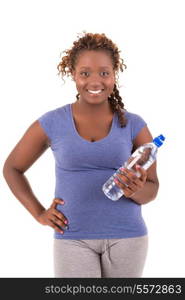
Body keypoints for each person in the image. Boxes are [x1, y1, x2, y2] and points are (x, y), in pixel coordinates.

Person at [3, 32, 159, 278]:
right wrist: (39, 213)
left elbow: (152, 189)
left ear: (115, 74)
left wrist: (135, 189)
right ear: (73, 74)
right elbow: (12, 168)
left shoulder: (134, 124)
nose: (95, 81)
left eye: (104, 73)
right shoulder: (52, 122)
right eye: (85, 73)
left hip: (127, 237)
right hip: (72, 238)